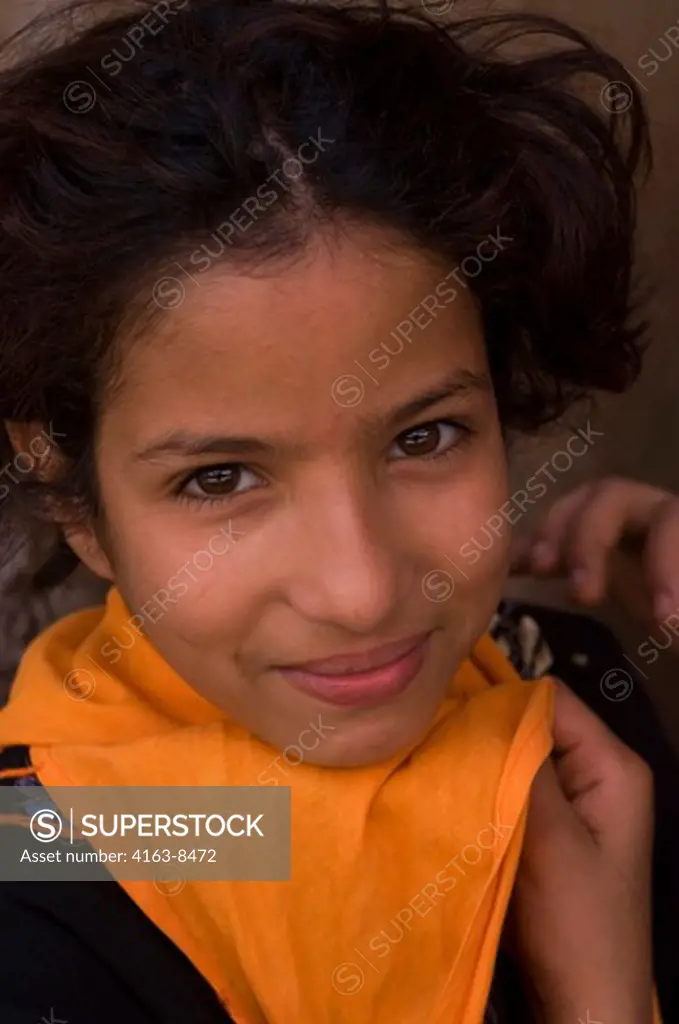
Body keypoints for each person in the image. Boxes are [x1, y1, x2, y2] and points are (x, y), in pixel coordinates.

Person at [0, 1, 673, 1021]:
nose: (360, 594)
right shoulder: (40, 874)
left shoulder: (579, 706)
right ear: (73, 497)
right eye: (220, 478)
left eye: (424, 437)